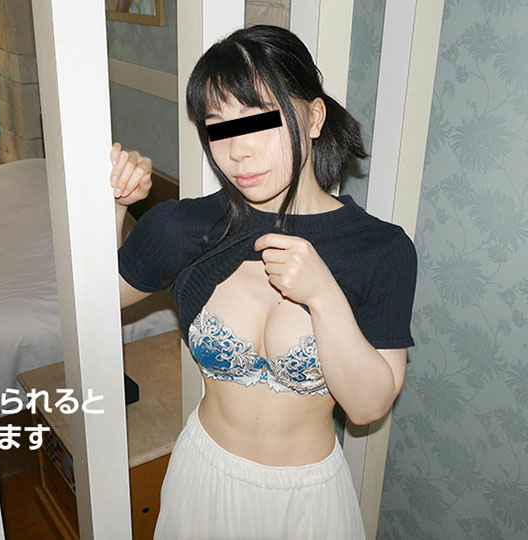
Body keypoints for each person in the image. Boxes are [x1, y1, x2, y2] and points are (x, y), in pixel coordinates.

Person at [110, 25, 418, 539]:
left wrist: (324, 296)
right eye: (219, 128)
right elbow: (98, 302)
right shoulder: (186, 226)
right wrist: (115, 208)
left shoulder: (381, 249)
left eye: (260, 120)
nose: (238, 152)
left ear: (313, 117)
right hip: (204, 478)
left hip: (308, 500)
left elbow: (368, 408)